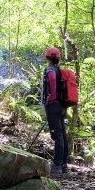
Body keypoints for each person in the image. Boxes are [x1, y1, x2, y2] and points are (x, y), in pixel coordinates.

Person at [41, 47, 68, 176]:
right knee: (62, 134)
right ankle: (63, 164)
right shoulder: (59, 70)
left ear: (47, 58)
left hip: (54, 106)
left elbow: (51, 79)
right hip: (62, 106)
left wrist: (50, 98)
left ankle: (57, 165)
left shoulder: (51, 69)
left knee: (57, 135)